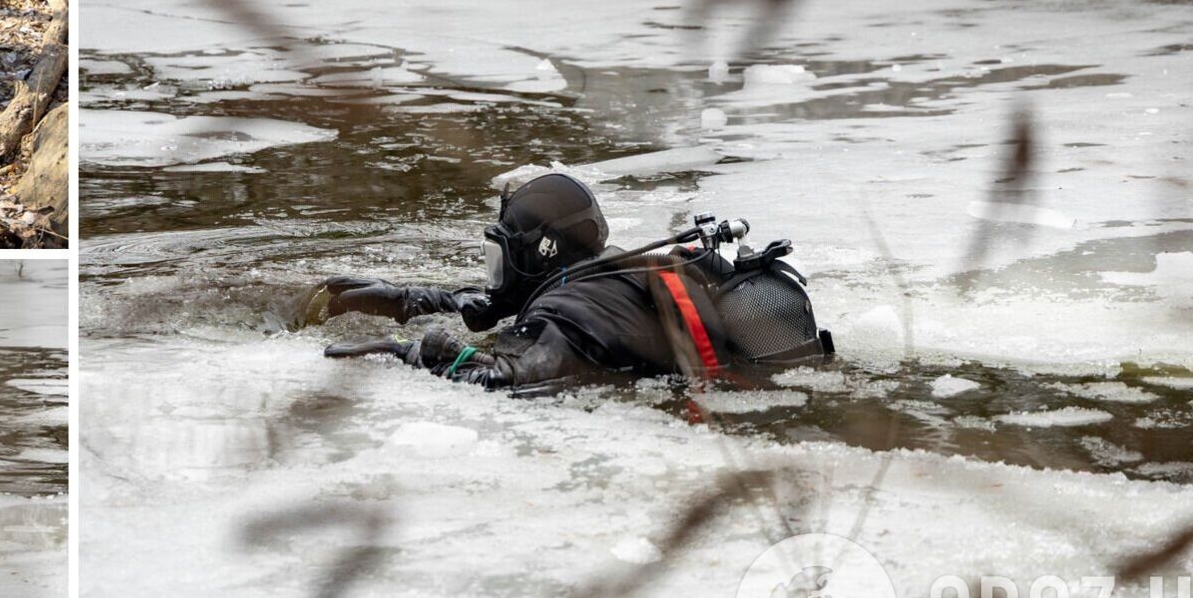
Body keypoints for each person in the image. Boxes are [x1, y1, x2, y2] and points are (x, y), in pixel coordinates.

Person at [312, 172, 833, 392]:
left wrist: (412, 353)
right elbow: (506, 302)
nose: (498, 275)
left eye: (502, 257)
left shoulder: (569, 313)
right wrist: (415, 299)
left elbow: (508, 379)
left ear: (542, 252)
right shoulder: (612, 269)